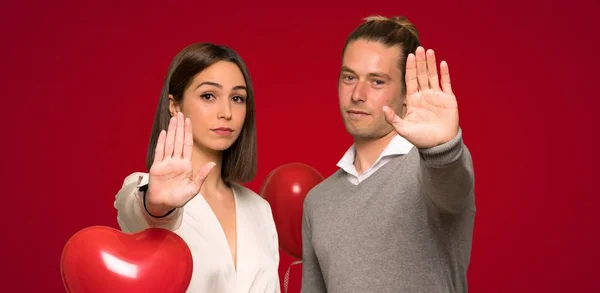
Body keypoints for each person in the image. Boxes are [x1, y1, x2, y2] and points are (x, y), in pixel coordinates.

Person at [301, 15, 476, 293]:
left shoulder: (432, 169)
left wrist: (441, 148)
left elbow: (451, 184)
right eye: (349, 77)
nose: (357, 94)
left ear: (407, 92)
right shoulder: (318, 201)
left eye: (377, 82)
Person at [114, 43, 281, 293]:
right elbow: (138, 210)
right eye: (208, 96)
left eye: (237, 98)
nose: (226, 112)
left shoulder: (259, 209)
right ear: (175, 105)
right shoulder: (143, 189)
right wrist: (158, 207)